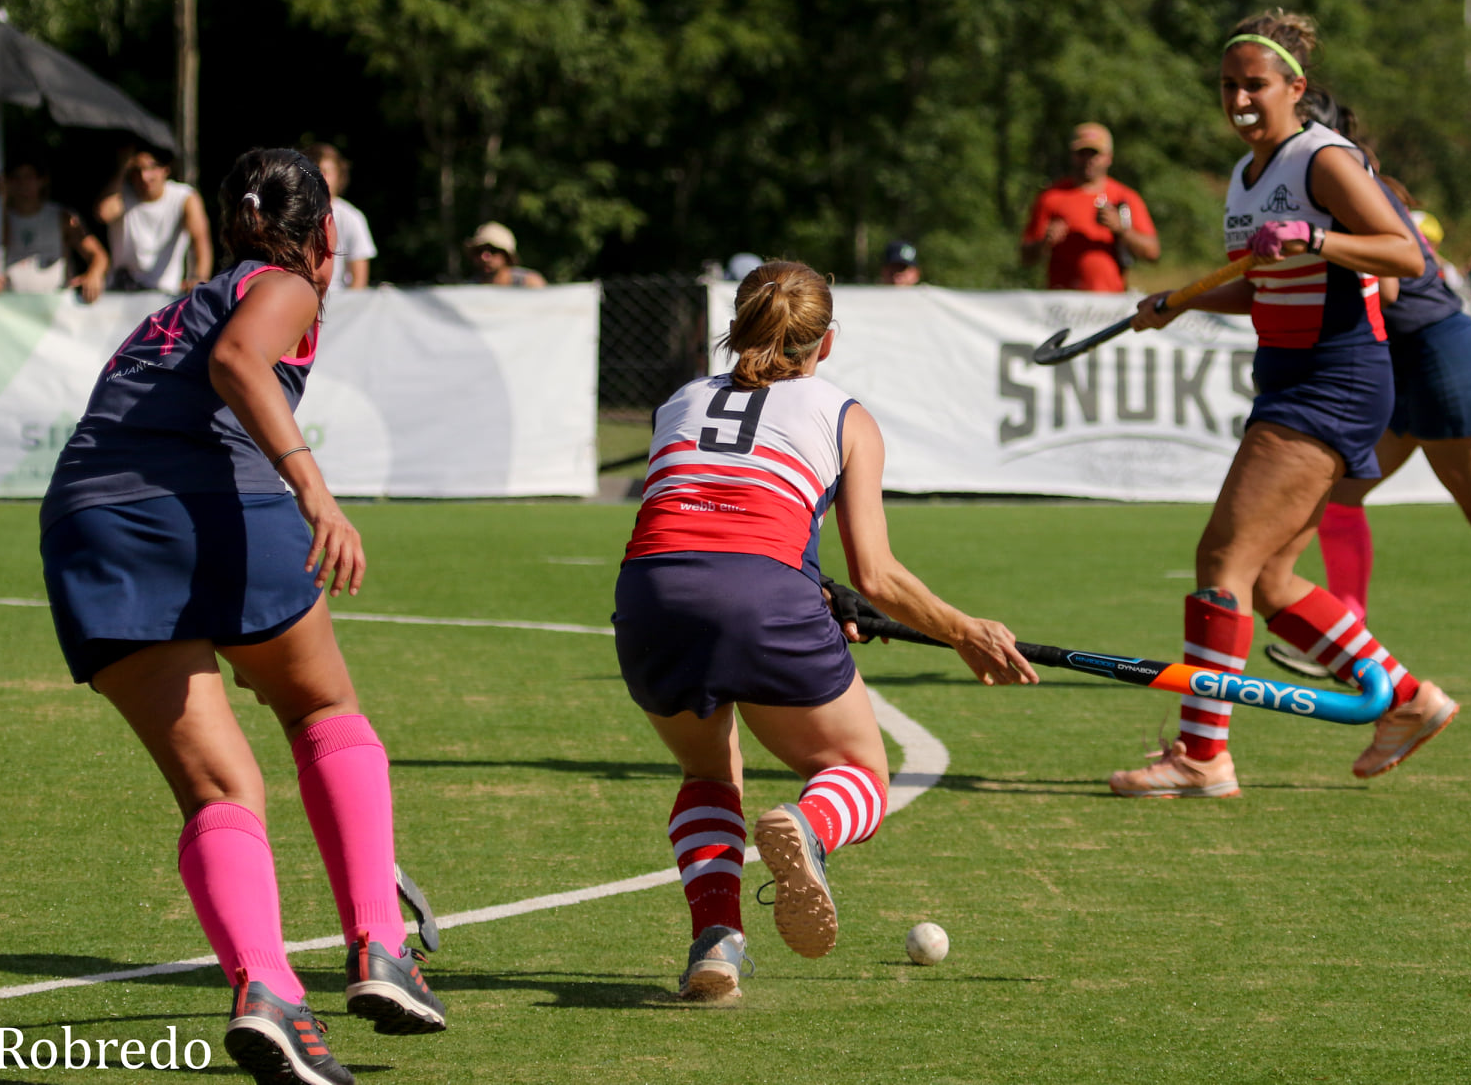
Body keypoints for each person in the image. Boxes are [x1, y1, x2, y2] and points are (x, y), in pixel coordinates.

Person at [41, 148, 444, 1085]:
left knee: (221, 792)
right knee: (320, 711)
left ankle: (268, 989)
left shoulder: (176, 305)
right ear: (328, 234)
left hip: (88, 524)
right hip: (213, 504)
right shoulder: (286, 282)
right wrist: (316, 492)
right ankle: (382, 948)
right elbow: (236, 361)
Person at [613, 260, 1037, 1001]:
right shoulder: (845, 414)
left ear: (734, 329)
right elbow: (877, 575)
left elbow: (711, 518)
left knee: (710, 774)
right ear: (826, 343)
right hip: (765, 596)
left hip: (652, 596)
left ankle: (715, 944)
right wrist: (963, 631)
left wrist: (815, 593)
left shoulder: (676, 401)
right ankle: (810, 826)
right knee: (860, 771)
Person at [1115, 11, 1456, 797]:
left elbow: (1409, 256)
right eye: (1228, 84)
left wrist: (1316, 239)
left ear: (1295, 89)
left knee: (1220, 563)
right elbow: (1270, 278)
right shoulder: (1247, 174)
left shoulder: (1321, 158)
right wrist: (1183, 301)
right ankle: (1407, 699)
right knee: (1269, 582)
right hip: (1294, 377)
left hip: (1333, 381)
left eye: (1254, 84)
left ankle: (1203, 758)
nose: (1239, 97)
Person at [1259, 93, 1471, 683]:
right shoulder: (1315, 182)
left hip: (1436, 352)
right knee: (1343, 495)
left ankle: (1344, 631)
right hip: (1391, 361)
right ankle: (1347, 631)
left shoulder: (1337, 179)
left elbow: (1387, 290)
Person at [1019, 122, 1160, 291]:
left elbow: (1152, 253)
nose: (1088, 160)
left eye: (1094, 154)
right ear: (1072, 155)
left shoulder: (1125, 197)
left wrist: (1121, 229)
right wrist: (1045, 242)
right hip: (1061, 303)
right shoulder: (1051, 197)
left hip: (1111, 302)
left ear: (1109, 157)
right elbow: (1025, 258)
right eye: (1082, 153)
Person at [0, 154, 110, 303]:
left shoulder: (62, 217)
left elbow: (97, 254)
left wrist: (94, 275)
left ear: (42, 181)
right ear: (7, 183)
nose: (23, 184)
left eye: (29, 177)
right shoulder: (1, 222)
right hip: (12, 310)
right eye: (16, 178)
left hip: (57, 307)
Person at [98, 146, 213, 293]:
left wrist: (199, 277)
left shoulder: (184, 197)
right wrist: (122, 167)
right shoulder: (122, 197)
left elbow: (200, 240)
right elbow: (103, 213)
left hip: (164, 294)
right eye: (137, 170)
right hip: (122, 292)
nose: (145, 176)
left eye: (152, 168)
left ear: (166, 169)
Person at [304, 142, 376, 293]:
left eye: (325, 171)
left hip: (339, 302)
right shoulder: (290, 215)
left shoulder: (352, 218)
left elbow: (359, 279)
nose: (320, 177)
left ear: (338, 175)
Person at [465, 221, 545, 287]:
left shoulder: (528, 282)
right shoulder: (470, 288)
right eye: (479, 251)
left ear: (507, 255)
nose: (484, 257)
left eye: (493, 250)